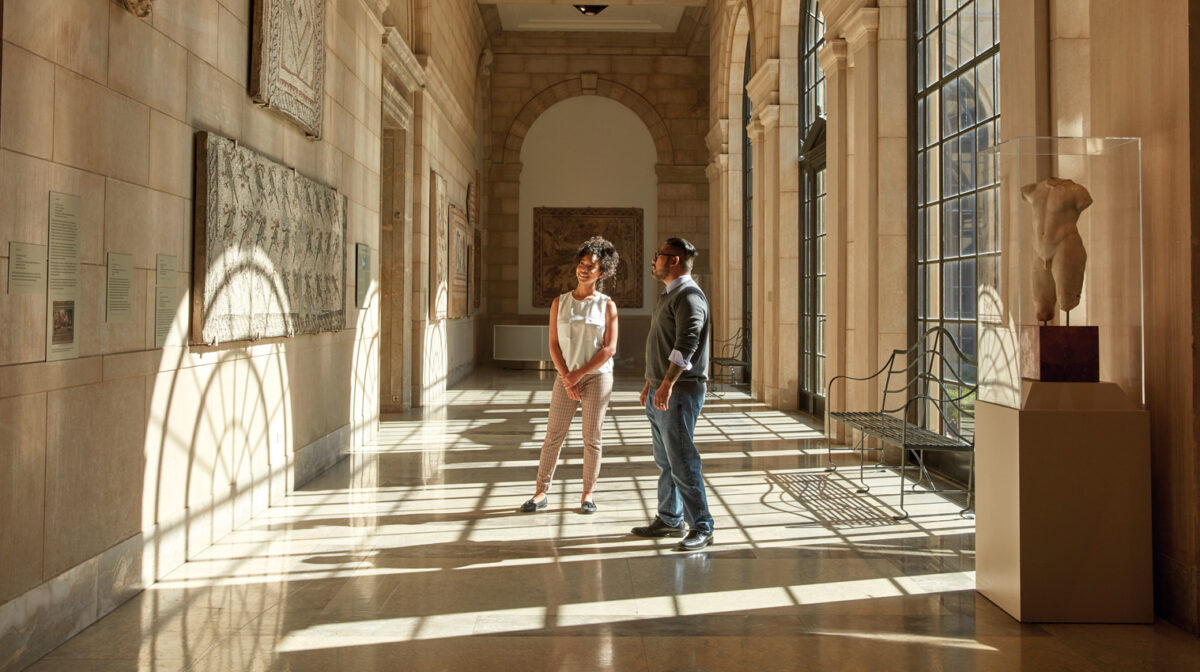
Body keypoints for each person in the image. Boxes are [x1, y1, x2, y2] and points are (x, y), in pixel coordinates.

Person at [520, 237, 620, 514]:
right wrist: (567, 377)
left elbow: (609, 348)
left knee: (592, 437)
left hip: (597, 377)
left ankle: (588, 494)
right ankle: (541, 491)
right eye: (581, 264)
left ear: (602, 272)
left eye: (591, 266)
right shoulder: (559, 303)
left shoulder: (607, 305)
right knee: (554, 434)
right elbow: (553, 344)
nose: (584, 269)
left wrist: (577, 375)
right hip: (565, 376)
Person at [631, 237, 714, 551]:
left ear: (674, 260)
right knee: (666, 460)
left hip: (678, 392)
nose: (654, 261)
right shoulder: (671, 294)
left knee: (682, 460)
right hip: (662, 388)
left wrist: (666, 384)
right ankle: (670, 518)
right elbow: (663, 344)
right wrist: (651, 382)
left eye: (658, 256)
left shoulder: (689, 296)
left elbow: (686, 344)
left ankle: (702, 526)